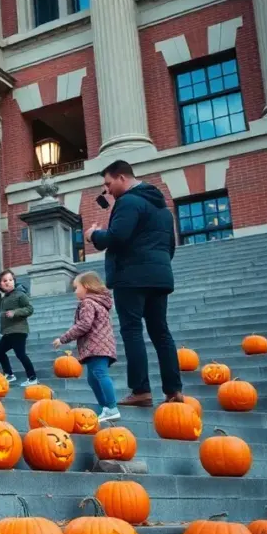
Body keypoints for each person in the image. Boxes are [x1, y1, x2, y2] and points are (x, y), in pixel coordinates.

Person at [85, 160, 182, 407]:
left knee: (132, 331)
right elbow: (170, 245)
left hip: (131, 276)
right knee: (161, 333)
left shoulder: (128, 201)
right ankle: (174, 390)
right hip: (159, 276)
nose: (107, 190)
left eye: (108, 184)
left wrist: (93, 235)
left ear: (121, 178)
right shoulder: (161, 207)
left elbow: (116, 237)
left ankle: (141, 390)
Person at [53, 272, 120, 423]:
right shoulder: (100, 303)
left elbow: (84, 324)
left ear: (87, 287)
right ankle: (105, 408)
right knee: (92, 378)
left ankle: (111, 407)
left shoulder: (88, 303)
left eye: (76, 287)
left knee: (100, 375)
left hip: (96, 346)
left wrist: (63, 339)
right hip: (102, 345)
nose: (75, 291)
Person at [0, 270, 38, 387]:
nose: (8, 283)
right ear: (0, 284)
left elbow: (30, 309)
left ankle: (32, 377)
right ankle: (9, 374)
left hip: (19, 330)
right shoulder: (3, 298)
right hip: (8, 332)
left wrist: (15, 312)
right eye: (5, 281)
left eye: (10, 280)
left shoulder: (20, 295)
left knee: (20, 354)